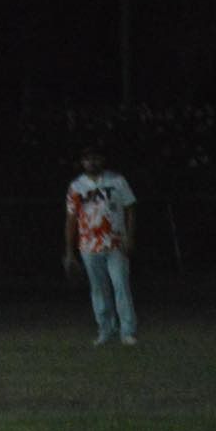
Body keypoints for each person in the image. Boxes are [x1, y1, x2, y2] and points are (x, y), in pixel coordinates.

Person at [63, 144, 139, 345]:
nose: (92, 162)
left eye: (95, 158)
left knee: (120, 285)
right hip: (89, 246)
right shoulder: (76, 186)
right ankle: (106, 329)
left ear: (102, 160)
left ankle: (127, 331)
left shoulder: (117, 180)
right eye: (88, 159)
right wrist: (69, 251)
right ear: (82, 162)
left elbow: (130, 208)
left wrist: (130, 236)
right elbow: (71, 219)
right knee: (99, 289)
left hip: (116, 243)